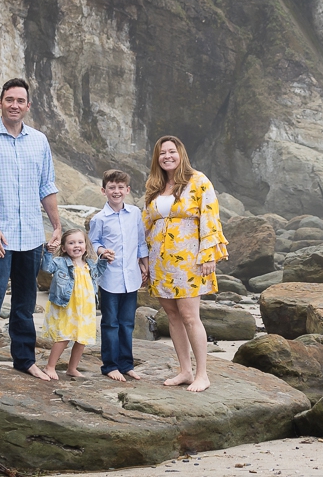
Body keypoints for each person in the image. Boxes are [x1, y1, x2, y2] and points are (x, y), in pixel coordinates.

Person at [0, 77, 62, 385]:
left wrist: (57, 226)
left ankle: (24, 360)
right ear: (0, 103)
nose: (15, 105)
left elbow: (46, 187)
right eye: (10, 100)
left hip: (32, 236)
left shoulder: (39, 141)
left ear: (28, 106)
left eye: (21, 101)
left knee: (25, 300)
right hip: (0, 237)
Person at [143, 136, 228, 392]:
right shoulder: (155, 186)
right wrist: (143, 259)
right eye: (162, 153)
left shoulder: (198, 181)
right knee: (172, 315)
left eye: (172, 151)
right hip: (160, 259)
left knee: (190, 316)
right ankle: (185, 370)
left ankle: (203, 374)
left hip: (188, 259)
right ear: (157, 158)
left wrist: (209, 255)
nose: (167, 156)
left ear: (181, 154)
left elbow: (210, 218)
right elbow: (146, 224)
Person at [89, 169, 147, 382]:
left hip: (131, 278)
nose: (116, 191)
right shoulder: (99, 219)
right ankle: (110, 366)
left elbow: (141, 242)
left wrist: (145, 264)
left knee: (127, 323)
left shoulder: (134, 214)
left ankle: (126, 364)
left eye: (120, 187)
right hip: (109, 278)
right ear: (104, 191)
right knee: (110, 323)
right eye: (111, 188)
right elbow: (93, 242)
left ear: (128, 190)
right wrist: (102, 251)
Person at [40, 228, 100, 379]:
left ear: (86, 245)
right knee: (64, 336)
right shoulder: (60, 262)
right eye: (71, 243)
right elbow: (47, 269)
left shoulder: (90, 264)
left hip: (85, 307)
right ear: (64, 247)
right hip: (67, 306)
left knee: (82, 338)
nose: (76, 246)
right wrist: (48, 252)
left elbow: (99, 273)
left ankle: (72, 368)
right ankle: (50, 366)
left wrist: (105, 259)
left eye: (80, 242)